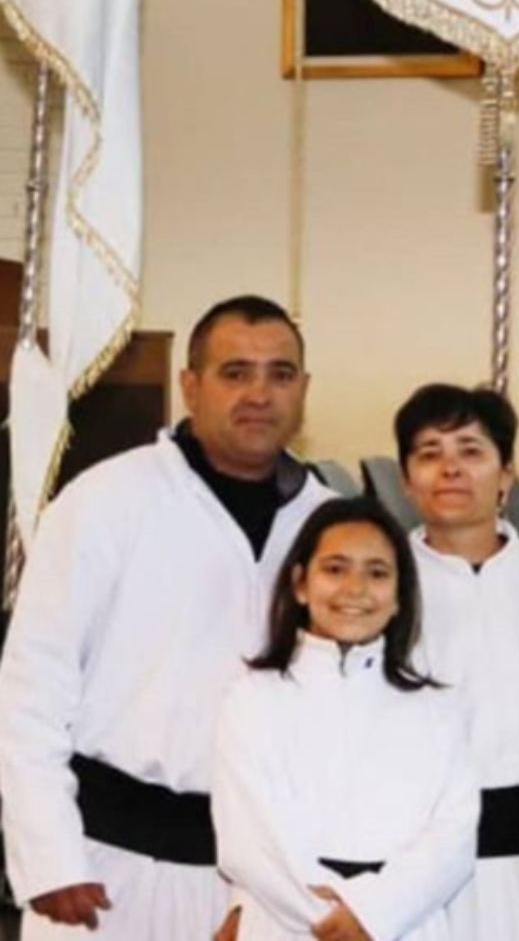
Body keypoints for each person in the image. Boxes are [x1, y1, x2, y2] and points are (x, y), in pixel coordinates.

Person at [0, 295, 333, 939]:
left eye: (280, 374)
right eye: (235, 372)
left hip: (261, 877)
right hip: (107, 864)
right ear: (191, 385)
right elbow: (31, 684)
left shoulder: (328, 524)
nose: (260, 393)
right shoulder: (106, 500)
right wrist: (48, 853)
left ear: (304, 389)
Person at [211, 497, 479, 941]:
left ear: (398, 597)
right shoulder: (254, 697)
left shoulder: (437, 711)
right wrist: (327, 920)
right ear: (300, 584)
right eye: (335, 569)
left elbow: (453, 837)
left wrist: (374, 915)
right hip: (283, 923)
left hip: (403, 926)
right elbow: (247, 838)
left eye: (377, 573)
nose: (355, 588)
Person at [394, 384, 519, 941]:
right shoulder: (382, 584)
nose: (450, 469)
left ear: (506, 475)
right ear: (406, 480)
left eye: (471, 452)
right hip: (416, 857)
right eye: (429, 454)